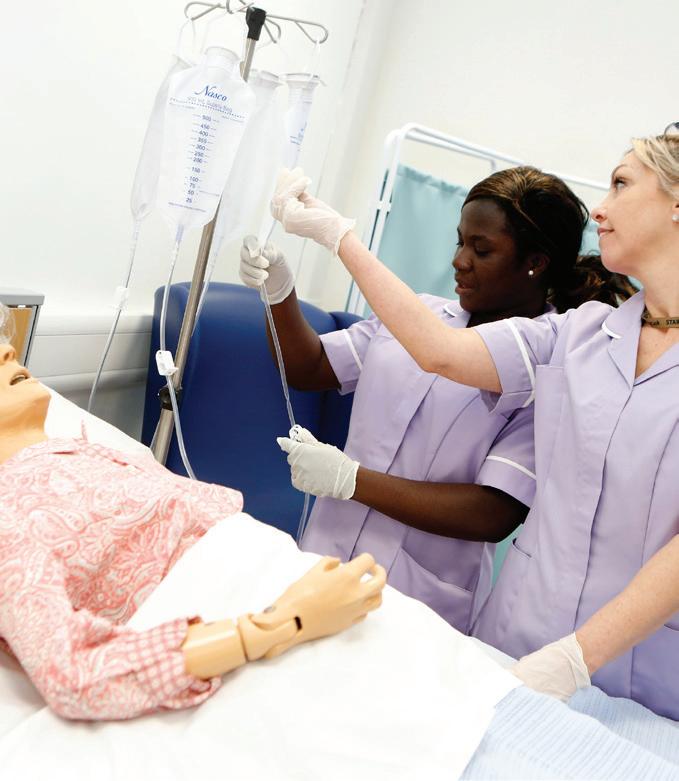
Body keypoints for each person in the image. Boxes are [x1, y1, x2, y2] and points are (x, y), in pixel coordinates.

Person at [268, 134, 679, 721]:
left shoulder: (566, 339)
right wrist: (331, 244)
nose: (600, 208)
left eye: (620, 183)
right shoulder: (580, 335)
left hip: (639, 668)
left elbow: (496, 511)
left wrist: (577, 658)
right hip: (515, 637)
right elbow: (438, 350)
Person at [241, 167, 634, 633]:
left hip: (413, 604)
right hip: (323, 558)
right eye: (460, 242)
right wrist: (279, 293)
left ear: (535, 262)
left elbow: (492, 513)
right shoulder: (417, 315)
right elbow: (311, 368)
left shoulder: (550, 369)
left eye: (481, 249)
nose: (459, 261)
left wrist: (352, 480)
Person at [0, 331, 385, 720]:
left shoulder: (72, 452)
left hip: (310, 586)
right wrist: (284, 622)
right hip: (263, 623)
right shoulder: (9, 508)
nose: (7, 350)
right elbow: (73, 676)